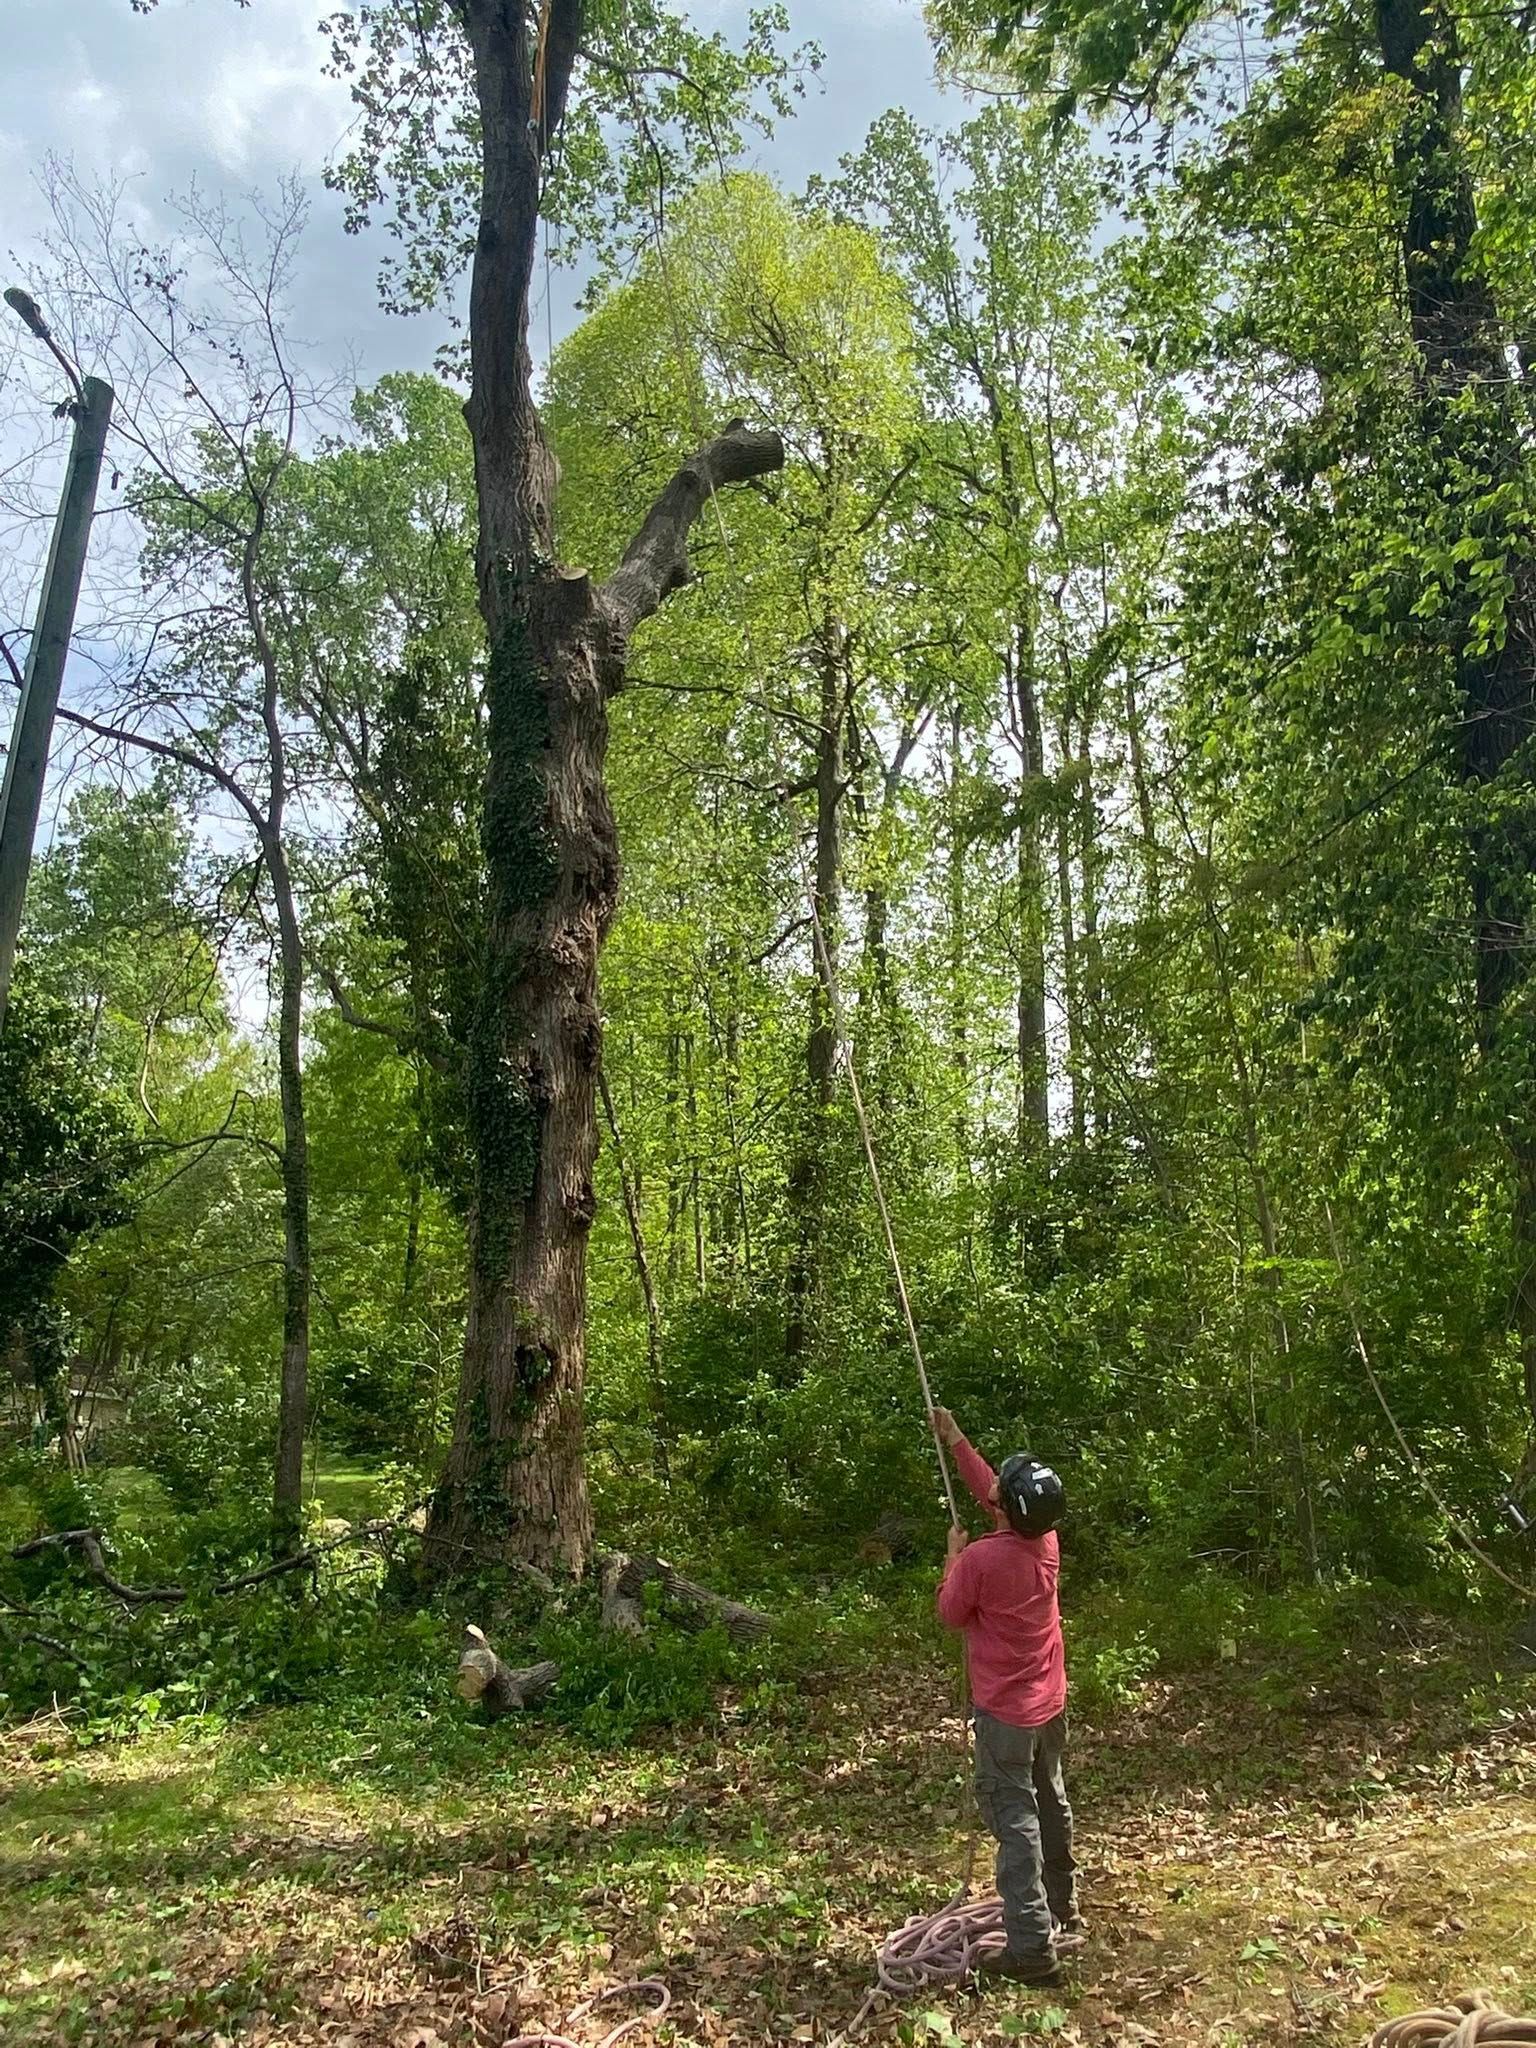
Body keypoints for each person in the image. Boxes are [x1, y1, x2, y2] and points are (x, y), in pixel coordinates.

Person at [933, 1404, 1083, 1986]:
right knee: (1051, 1800)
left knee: (1016, 1818)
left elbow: (951, 1613)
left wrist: (951, 1561)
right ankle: (1061, 1908)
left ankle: (1030, 1947)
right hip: (1048, 1706)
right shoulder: (1042, 1539)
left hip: (1004, 1717)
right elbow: (998, 1494)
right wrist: (956, 1441)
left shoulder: (980, 1560)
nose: (992, 1482)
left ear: (1006, 1508)